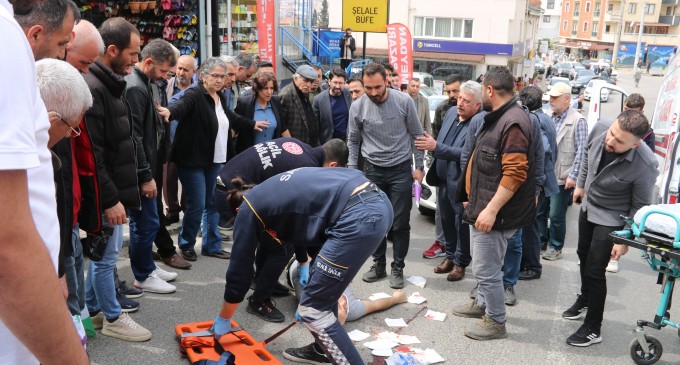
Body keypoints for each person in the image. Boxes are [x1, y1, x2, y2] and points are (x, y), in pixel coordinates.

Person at [212, 168, 393, 365]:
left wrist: (224, 317)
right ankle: (322, 350)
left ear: (237, 212)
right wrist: (310, 270)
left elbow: (240, 269)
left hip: (358, 215)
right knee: (319, 303)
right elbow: (308, 230)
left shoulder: (248, 209)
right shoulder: (274, 194)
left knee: (313, 311)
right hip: (377, 204)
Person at [1, 1, 89, 363]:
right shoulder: (6, 39)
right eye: (62, 45)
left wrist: (51, 272)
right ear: (35, 34)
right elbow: (6, 244)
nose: (64, 53)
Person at [213, 138, 348, 322]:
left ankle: (261, 279)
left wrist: (303, 262)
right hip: (232, 195)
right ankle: (259, 300)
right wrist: (302, 261)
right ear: (332, 165)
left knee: (273, 236)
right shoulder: (307, 171)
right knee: (283, 247)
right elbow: (296, 223)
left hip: (227, 182)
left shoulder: (300, 146)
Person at [80, 17, 152, 341]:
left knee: (104, 256)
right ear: (112, 50)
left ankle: (94, 310)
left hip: (115, 190)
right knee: (106, 257)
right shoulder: (96, 89)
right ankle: (112, 316)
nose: (136, 61)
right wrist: (110, 199)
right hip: (108, 194)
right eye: (133, 54)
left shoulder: (109, 84)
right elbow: (95, 156)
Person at [451, 67, 536, 340]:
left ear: (489, 90)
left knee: (486, 269)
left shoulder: (512, 122)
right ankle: (482, 304)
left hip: (494, 214)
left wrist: (490, 209)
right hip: (482, 206)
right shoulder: (499, 117)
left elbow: (515, 173)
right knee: (484, 265)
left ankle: (496, 321)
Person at [157, 57, 268, 262]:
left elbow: (231, 118)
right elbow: (180, 106)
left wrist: (251, 124)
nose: (219, 80)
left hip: (215, 160)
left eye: (222, 76)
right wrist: (169, 112)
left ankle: (211, 245)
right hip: (192, 160)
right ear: (203, 76)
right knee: (198, 203)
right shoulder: (195, 93)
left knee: (213, 202)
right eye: (214, 76)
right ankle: (186, 243)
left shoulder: (220, 96)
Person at [563, 110, 658, 346]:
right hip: (588, 206)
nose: (610, 140)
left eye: (619, 141)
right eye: (612, 133)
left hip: (613, 217)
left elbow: (641, 206)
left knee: (596, 270)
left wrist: (623, 239)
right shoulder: (600, 128)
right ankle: (585, 298)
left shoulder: (645, 164)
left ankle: (593, 328)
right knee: (582, 256)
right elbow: (586, 156)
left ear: (636, 144)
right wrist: (581, 185)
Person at [348, 63, 424, 289]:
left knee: (400, 223)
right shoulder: (358, 107)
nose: (373, 93)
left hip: (400, 170)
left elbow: (416, 134)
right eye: (368, 88)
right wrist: (353, 170)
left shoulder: (404, 101)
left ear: (388, 80)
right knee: (373, 221)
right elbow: (353, 140)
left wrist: (419, 166)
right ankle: (378, 265)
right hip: (372, 170)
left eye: (378, 87)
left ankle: (397, 267)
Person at [125, 38, 178, 294]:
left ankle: (147, 267)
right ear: (148, 62)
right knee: (144, 222)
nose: (165, 77)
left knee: (150, 220)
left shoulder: (145, 83)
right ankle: (143, 274)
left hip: (147, 164)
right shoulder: (136, 86)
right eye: (164, 71)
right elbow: (134, 136)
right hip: (141, 169)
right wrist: (146, 175)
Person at [416, 81, 481, 281]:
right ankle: (450, 256)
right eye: (459, 98)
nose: (460, 103)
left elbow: (466, 154)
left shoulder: (479, 122)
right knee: (446, 221)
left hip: (461, 183)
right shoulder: (452, 112)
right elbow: (441, 141)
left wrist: (436, 147)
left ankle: (461, 262)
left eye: (466, 101)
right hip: (442, 179)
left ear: (478, 105)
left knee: (461, 224)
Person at [282, 259, 407, 364]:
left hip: (299, 264)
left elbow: (375, 304)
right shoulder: (351, 308)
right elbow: (376, 304)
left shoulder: (317, 304)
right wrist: (396, 298)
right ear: (342, 302)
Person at [542, 82, 587, 261]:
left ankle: (556, 246)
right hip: (545, 174)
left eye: (555, 97)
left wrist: (574, 176)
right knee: (540, 212)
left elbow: (583, 152)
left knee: (556, 215)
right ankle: (540, 242)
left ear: (567, 99)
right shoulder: (548, 117)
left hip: (562, 177)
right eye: (550, 97)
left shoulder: (578, 120)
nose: (551, 100)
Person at [423, 74, 465, 260]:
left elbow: (464, 151)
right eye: (449, 91)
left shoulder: (476, 116)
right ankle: (446, 248)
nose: (452, 95)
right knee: (443, 213)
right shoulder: (444, 110)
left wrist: (437, 148)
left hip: (459, 175)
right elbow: (437, 138)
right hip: (441, 171)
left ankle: (460, 256)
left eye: (456, 91)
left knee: (459, 217)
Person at [518, 86, 559, 281]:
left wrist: (536, 184)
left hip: (538, 181)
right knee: (531, 223)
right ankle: (528, 262)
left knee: (529, 225)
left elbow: (544, 150)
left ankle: (532, 266)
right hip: (543, 179)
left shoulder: (536, 121)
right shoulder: (545, 118)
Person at [163, 55, 196, 226]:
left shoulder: (197, 89)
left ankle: (185, 207)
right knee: (169, 176)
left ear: (193, 72)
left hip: (190, 142)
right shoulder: (167, 86)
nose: (181, 72)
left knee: (188, 176)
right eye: (179, 68)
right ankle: (172, 209)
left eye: (186, 69)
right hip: (170, 139)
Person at [234, 71, 289, 154]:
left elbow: (283, 128)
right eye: (265, 88)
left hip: (272, 153)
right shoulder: (245, 103)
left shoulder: (275, 101)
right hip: (249, 154)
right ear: (257, 89)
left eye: (272, 88)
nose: (269, 92)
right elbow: (235, 126)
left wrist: (292, 145)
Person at [279, 64, 320, 146]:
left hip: (308, 145)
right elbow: (281, 126)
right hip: (293, 146)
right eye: (305, 80)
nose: (308, 84)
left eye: (311, 81)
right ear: (295, 78)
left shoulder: (303, 91)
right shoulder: (286, 94)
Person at [314, 67, 353, 143]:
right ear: (329, 82)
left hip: (346, 142)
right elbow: (314, 127)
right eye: (335, 82)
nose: (338, 86)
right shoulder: (318, 100)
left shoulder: (350, 94)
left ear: (345, 83)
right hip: (327, 143)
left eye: (340, 83)